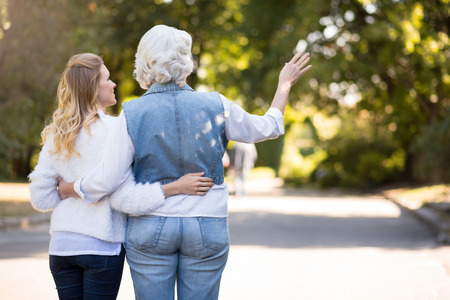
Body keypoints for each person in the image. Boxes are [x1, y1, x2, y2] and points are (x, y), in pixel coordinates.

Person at [59, 25, 311, 300]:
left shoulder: (131, 113)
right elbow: (268, 127)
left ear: (144, 62)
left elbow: (106, 181)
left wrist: (69, 188)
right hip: (206, 225)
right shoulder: (218, 105)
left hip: (151, 225)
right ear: (186, 62)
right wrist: (284, 85)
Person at [29, 53, 213, 300]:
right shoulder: (116, 130)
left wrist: (66, 189)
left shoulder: (57, 134)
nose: (114, 83)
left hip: (62, 247)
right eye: (107, 78)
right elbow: (123, 199)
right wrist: (174, 187)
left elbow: (41, 198)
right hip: (101, 247)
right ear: (92, 88)